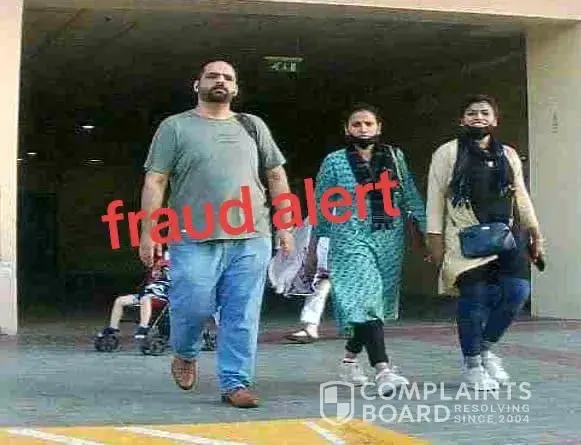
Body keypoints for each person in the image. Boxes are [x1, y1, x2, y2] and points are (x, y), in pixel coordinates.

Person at [139, 60, 294, 408]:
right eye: (212, 76)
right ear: (197, 85)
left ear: (235, 88)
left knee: (242, 314)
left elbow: (276, 175)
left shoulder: (252, 126)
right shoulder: (175, 127)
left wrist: (284, 224)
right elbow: (155, 180)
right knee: (192, 305)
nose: (220, 81)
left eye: (227, 77)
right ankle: (185, 351)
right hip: (192, 237)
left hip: (252, 236)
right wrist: (148, 232)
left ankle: (235, 383)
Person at [425, 94, 545, 390]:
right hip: (466, 237)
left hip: (506, 236)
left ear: (495, 120)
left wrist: (535, 233)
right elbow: (435, 198)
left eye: (484, 112)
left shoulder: (509, 154)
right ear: (462, 120)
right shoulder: (447, 153)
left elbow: (521, 196)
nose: (478, 117)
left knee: (517, 292)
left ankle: (484, 349)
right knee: (474, 299)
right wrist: (435, 242)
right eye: (471, 113)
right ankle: (473, 366)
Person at [312, 103, 427, 393]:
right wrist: (314, 246)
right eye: (356, 124)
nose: (363, 129)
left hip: (388, 239)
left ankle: (349, 361)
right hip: (350, 237)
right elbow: (321, 205)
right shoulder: (334, 161)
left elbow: (409, 196)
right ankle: (383, 370)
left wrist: (429, 233)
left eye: (368, 124)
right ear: (347, 129)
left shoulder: (395, 157)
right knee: (365, 298)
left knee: (374, 304)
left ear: (379, 127)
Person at [268, 217, 331, 343]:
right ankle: (311, 326)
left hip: (354, 228)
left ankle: (357, 324)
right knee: (321, 279)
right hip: (325, 226)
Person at [97, 249, 170, 340]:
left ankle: (143, 327)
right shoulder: (156, 267)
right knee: (120, 300)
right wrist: (155, 272)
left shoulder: (176, 269)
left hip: (161, 296)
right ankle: (113, 327)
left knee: (145, 299)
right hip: (146, 293)